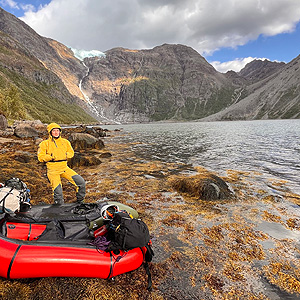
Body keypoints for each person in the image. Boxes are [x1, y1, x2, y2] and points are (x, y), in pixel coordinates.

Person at [37, 122, 85, 204]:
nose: (56, 132)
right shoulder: (44, 144)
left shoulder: (65, 142)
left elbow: (71, 152)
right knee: (58, 192)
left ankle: (80, 202)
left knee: (81, 182)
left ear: (60, 132)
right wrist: (50, 157)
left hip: (64, 168)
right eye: (54, 131)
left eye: (57, 130)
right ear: (50, 132)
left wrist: (66, 155)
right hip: (52, 171)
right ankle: (59, 208)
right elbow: (40, 157)